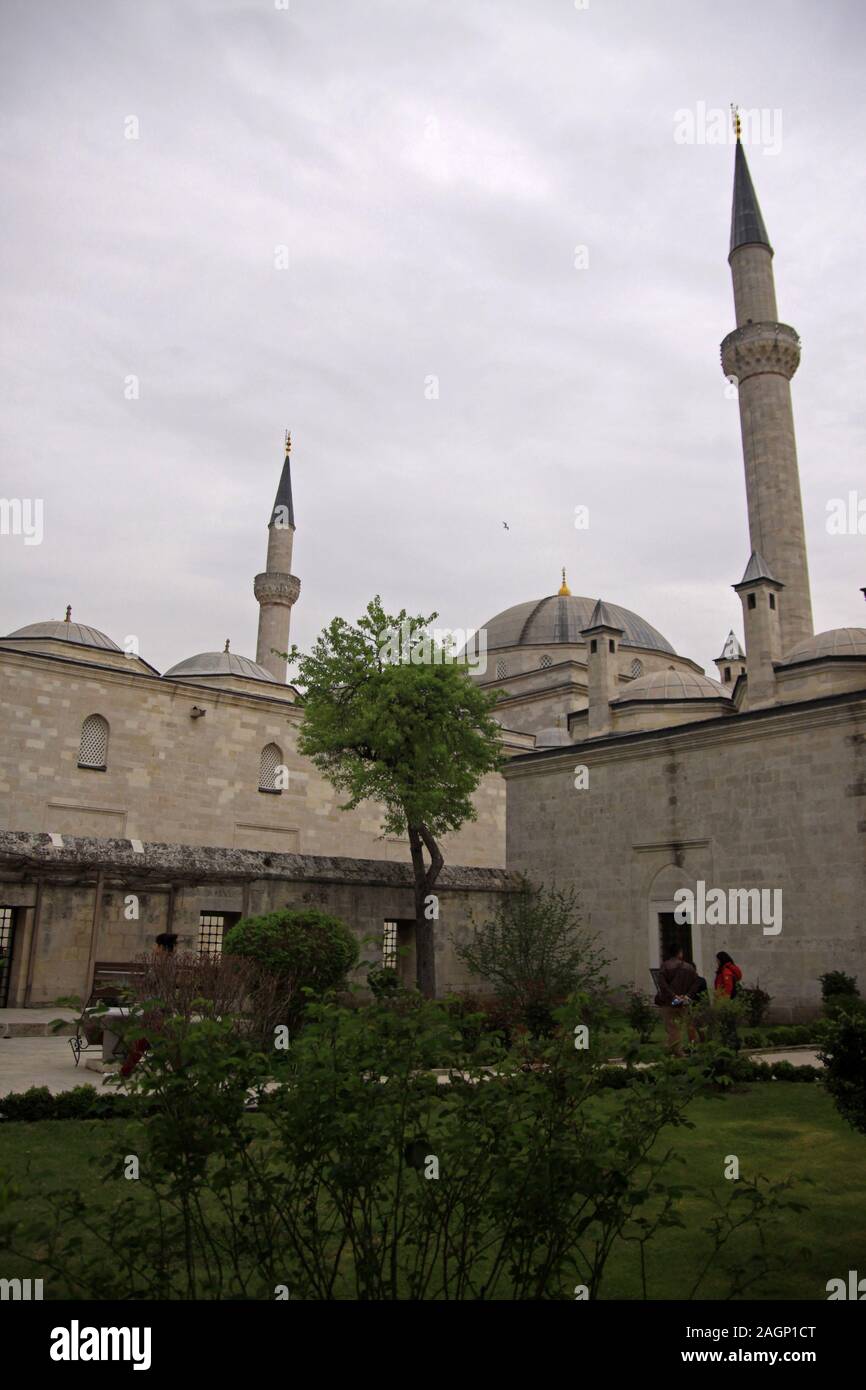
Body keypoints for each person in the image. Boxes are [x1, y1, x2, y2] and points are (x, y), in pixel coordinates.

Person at [654, 945, 699, 1056]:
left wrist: (674, 996)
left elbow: (662, 985)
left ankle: (676, 1051)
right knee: (678, 1026)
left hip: (670, 1001)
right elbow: (696, 983)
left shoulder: (665, 966)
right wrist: (687, 996)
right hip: (683, 1001)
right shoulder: (689, 967)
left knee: (671, 1026)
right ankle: (673, 1048)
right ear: (680, 953)